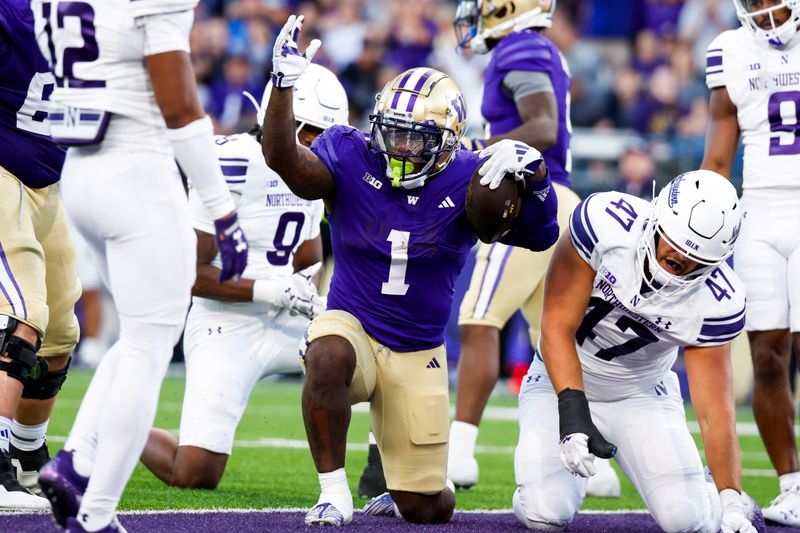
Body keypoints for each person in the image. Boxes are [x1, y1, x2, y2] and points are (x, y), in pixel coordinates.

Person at [263, 15, 560, 527]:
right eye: (391, 134)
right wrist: (282, 89)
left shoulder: (473, 177)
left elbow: (540, 236)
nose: (398, 148)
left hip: (419, 351)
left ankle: (416, 478)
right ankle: (333, 494)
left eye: (413, 139)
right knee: (327, 353)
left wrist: (534, 178)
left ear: (447, 141)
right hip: (353, 329)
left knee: (428, 510)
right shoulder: (350, 153)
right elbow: (286, 161)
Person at [31, 0, 249, 531]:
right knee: (150, 345)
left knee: (136, 337)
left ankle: (76, 460)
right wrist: (223, 210)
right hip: (136, 173)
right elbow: (179, 110)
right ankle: (96, 509)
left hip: (81, 169)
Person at [425, 0, 617, 496]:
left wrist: (473, 152)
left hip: (530, 200)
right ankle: (598, 463)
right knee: (551, 334)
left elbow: (542, 126)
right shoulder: (536, 48)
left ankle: (460, 453)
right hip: (556, 196)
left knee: (478, 318)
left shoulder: (520, 47)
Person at [513, 170, 757, 533]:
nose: (678, 258)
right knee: (544, 514)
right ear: (656, 217)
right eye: (674, 241)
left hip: (640, 395)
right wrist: (572, 414)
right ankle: (554, 478)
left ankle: (709, 492)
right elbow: (555, 326)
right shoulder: (604, 223)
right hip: (557, 381)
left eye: (696, 258)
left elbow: (714, 411)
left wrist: (731, 501)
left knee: (689, 522)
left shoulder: (719, 301)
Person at [140, 64, 343, 489]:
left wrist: (309, 290)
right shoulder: (230, 160)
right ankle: (114, 425)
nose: (320, 148)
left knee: (371, 355)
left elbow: (308, 256)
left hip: (288, 319)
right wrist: (274, 290)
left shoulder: (315, 170)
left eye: (328, 136)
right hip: (225, 324)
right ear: (278, 120)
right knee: (195, 473)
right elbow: (187, 274)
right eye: (311, 134)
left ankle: (386, 473)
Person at [701, 0, 800, 525]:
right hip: (759, 212)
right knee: (766, 355)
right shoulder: (730, 50)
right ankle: (792, 484)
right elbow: (718, 156)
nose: (765, 9)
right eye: (755, 0)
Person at [0, 0, 81, 510]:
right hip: (3, 167)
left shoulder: (91, 20)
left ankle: (30, 463)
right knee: (22, 313)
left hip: (47, 181)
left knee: (60, 333)